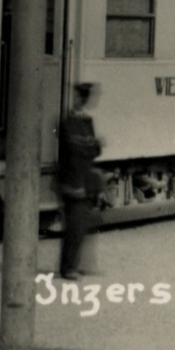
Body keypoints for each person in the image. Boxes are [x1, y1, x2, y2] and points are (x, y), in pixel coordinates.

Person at [56, 81, 104, 280]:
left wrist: (92, 146)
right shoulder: (69, 122)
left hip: (82, 179)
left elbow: (93, 149)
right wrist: (92, 145)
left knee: (81, 225)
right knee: (75, 226)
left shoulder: (85, 121)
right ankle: (68, 268)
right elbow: (82, 148)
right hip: (73, 180)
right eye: (80, 97)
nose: (80, 101)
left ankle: (76, 265)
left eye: (81, 97)